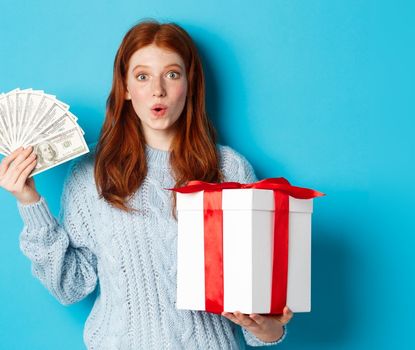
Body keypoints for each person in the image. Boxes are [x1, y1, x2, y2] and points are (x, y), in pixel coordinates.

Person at [0, 20, 292, 349]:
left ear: (190, 84)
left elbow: (257, 315)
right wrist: (29, 201)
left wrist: (268, 328)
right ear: (125, 87)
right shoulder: (92, 172)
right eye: (142, 76)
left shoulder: (230, 168)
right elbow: (71, 286)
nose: (158, 90)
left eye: (172, 74)